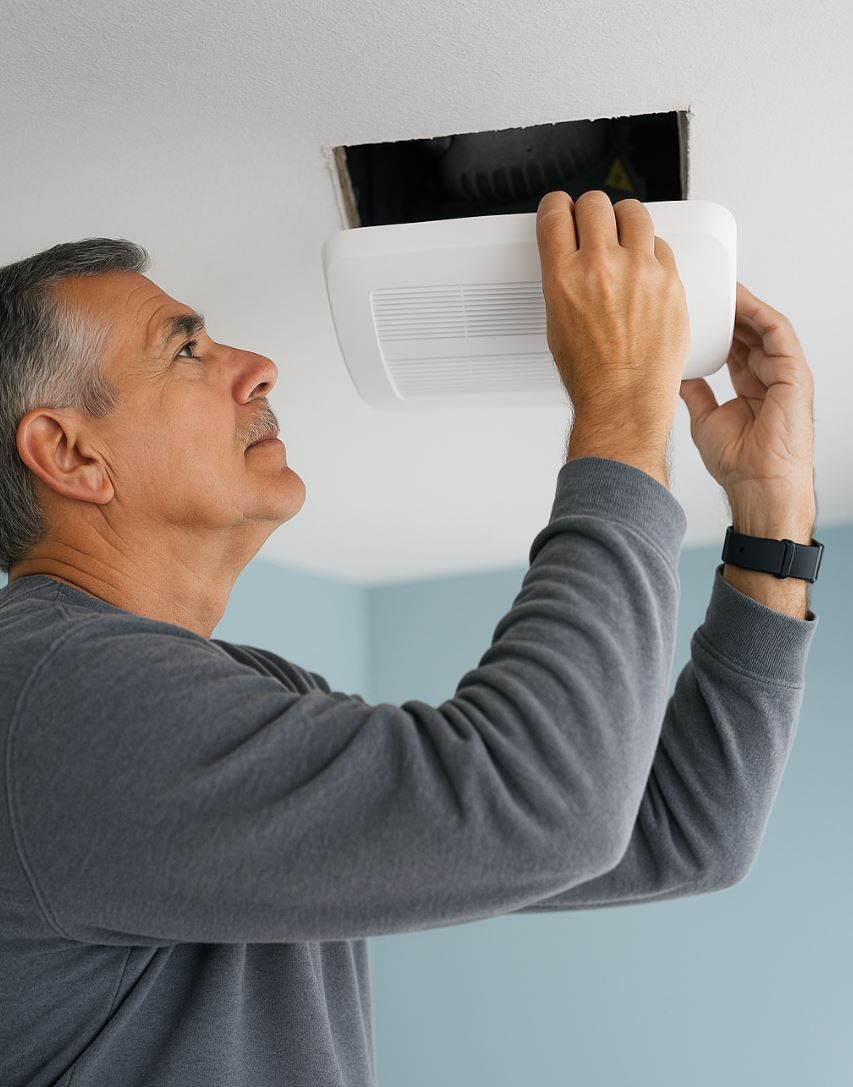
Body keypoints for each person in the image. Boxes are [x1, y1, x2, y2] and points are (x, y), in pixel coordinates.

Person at [0, 191, 820, 1087]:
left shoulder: (223, 693)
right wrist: (619, 407)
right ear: (72, 453)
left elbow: (676, 831)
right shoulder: (52, 698)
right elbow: (551, 806)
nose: (260, 367)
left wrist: (770, 524)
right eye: (186, 349)